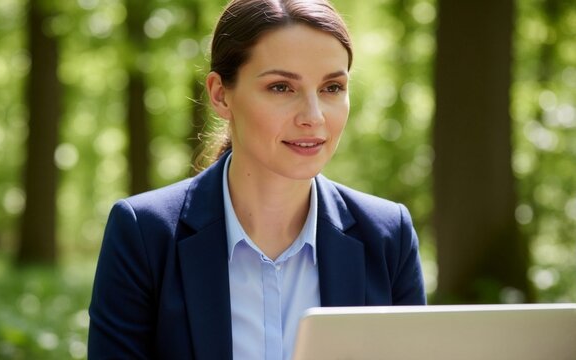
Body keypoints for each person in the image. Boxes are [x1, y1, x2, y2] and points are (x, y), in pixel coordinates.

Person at [88, 0, 426, 359]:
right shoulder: (144, 233)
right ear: (220, 95)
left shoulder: (389, 235)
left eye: (332, 88)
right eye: (281, 87)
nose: (314, 116)